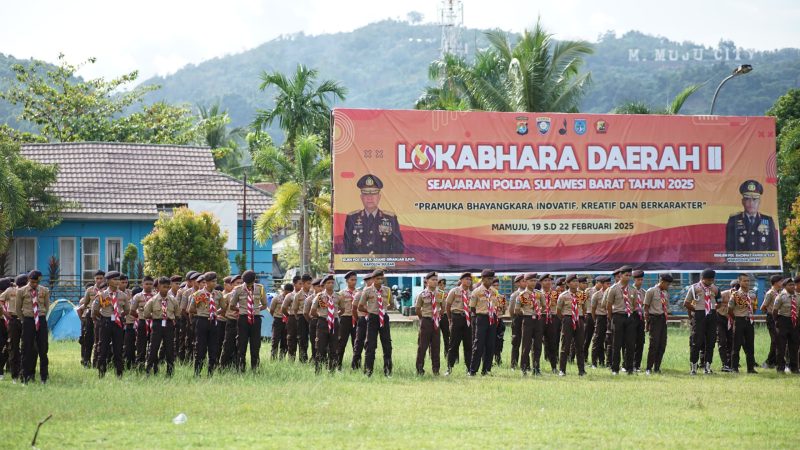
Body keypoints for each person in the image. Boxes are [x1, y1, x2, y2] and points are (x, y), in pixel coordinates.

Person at [343, 174, 404, 254]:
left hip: (384, 265)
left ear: (379, 197)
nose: (370, 197)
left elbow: (398, 248)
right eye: (366, 193)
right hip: (358, 265)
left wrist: (388, 265)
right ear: (361, 197)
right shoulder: (352, 218)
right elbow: (346, 248)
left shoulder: (390, 219)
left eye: (373, 193)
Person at [92, 271, 130, 378]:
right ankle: (101, 374)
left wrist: (120, 315)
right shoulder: (102, 294)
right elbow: (95, 310)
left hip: (118, 323)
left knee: (118, 350)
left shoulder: (123, 295)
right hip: (105, 322)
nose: (117, 281)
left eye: (118, 279)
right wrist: (103, 318)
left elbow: (127, 309)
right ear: (108, 281)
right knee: (103, 349)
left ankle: (119, 374)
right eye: (115, 279)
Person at [15, 271, 50, 384]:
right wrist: (24, 319)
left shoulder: (44, 290)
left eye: (36, 282)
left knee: (43, 349)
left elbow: (46, 306)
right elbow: (18, 308)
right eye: (32, 282)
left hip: (41, 319)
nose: (34, 284)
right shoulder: (21, 291)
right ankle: (25, 376)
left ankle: (44, 377)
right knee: (26, 349)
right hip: (28, 320)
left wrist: (40, 316)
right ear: (29, 279)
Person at [683, 269, 720, 375]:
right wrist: (697, 310)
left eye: (712, 279)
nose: (710, 282)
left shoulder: (715, 288)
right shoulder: (694, 288)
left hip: (711, 315)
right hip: (699, 315)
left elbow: (720, 301)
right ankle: (693, 368)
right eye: (708, 280)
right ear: (702, 279)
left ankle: (707, 367)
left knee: (711, 341)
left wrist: (712, 308)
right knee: (696, 342)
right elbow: (686, 303)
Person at [725, 179, 778, 251]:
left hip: (764, 262)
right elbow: (729, 248)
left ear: (759, 202)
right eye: (747, 199)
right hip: (740, 261)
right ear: (742, 201)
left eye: (755, 199)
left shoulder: (768, 220)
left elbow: (774, 247)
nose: (751, 203)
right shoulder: (734, 220)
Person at [230, 270, 267, 372]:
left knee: (255, 345)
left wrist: (255, 309)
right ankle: (241, 369)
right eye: (247, 283)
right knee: (241, 344)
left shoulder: (260, 288)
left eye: (250, 283)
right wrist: (242, 310)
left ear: (254, 280)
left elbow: (264, 304)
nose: (249, 285)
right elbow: (232, 305)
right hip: (243, 319)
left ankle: (255, 369)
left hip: (256, 319)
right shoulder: (238, 289)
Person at [358, 269, 393, 377]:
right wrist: (369, 311)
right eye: (377, 278)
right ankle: (368, 371)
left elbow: (391, 304)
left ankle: (388, 371)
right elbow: (360, 306)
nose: (380, 280)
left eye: (381, 278)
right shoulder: (368, 290)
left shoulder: (387, 290)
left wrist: (384, 309)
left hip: (384, 318)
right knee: (370, 345)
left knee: (387, 345)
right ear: (373, 279)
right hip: (372, 318)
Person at [143, 277, 179, 377]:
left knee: (170, 350)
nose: (166, 289)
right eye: (164, 287)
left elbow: (177, 314)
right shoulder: (153, 300)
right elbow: (146, 314)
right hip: (157, 324)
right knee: (153, 349)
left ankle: (170, 373)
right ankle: (148, 372)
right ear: (158, 287)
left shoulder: (173, 300)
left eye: (168, 287)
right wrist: (155, 318)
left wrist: (170, 320)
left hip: (169, 325)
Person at [605, 266, 636, 375]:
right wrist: (611, 317)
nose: (628, 277)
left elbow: (634, 304)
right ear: (620, 275)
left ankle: (629, 368)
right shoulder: (613, 289)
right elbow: (608, 305)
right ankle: (615, 369)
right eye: (626, 275)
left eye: (629, 275)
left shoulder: (632, 289)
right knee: (616, 344)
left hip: (629, 317)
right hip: (617, 316)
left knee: (630, 344)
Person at [468, 269, 499, 376]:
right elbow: (472, 307)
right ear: (484, 279)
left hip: (492, 318)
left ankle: (486, 370)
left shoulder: (494, 291)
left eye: (492, 279)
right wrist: (477, 318)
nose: (491, 281)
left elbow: (496, 305)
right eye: (489, 279)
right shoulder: (476, 291)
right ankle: (473, 370)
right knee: (478, 344)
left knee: (490, 344)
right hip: (481, 318)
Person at [556, 274, 587, 376]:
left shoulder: (582, 294)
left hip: (579, 319)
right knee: (565, 345)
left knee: (580, 345)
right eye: (573, 281)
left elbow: (584, 308)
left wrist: (580, 318)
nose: (576, 283)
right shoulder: (563, 295)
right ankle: (562, 370)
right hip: (568, 319)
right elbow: (558, 311)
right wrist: (566, 319)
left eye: (577, 281)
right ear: (568, 283)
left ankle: (581, 370)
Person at [311, 274, 342, 374]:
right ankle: (318, 371)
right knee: (320, 347)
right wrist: (321, 317)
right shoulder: (319, 296)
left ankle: (331, 371)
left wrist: (334, 315)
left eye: (332, 283)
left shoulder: (338, 296)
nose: (331, 284)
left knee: (334, 348)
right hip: (323, 323)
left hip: (334, 323)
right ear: (324, 285)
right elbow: (312, 311)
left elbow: (343, 308)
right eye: (328, 283)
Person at [728, 273, 758, 374]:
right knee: (736, 345)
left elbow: (754, 307)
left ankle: (751, 368)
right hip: (739, 320)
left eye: (748, 280)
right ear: (739, 282)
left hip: (749, 321)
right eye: (744, 281)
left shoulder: (752, 293)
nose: (747, 282)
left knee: (750, 345)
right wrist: (736, 318)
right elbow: (730, 309)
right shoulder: (735, 295)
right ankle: (734, 368)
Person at [444, 272, 473, 375]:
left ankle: (469, 368)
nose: (468, 281)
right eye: (466, 279)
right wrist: (450, 319)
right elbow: (448, 305)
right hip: (456, 317)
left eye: (470, 279)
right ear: (461, 280)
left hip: (468, 319)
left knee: (468, 344)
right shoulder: (454, 291)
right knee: (453, 344)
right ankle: (449, 368)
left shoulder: (471, 293)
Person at [517, 273, 545, 376]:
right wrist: (526, 313)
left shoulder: (539, 293)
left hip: (537, 319)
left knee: (537, 345)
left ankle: (536, 368)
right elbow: (517, 309)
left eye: (534, 280)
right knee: (526, 345)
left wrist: (538, 312)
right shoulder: (522, 295)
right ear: (526, 281)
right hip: (527, 320)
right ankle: (524, 368)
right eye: (531, 281)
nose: (533, 282)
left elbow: (544, 306)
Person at [644, 273, 672, 374]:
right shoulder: (651, 291)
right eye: (667, 284)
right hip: (654, 319)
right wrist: (647, 322)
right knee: (654, 344)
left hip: (663, 319)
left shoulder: (665, 293)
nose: (668, 286)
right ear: (662, 281)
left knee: (662, 344)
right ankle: (648, 368)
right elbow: (646, 307)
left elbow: (666, 306)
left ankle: (657, 367)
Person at [415, 272, 441, 376]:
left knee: (436, 346)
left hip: (436, 321)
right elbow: (417, 309)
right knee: (422, 346)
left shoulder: (441, 293)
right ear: (427, 281)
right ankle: (420, 369)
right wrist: (423, 319)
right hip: (426, 321)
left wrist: (437, 316)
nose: (435, 282)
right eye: (433, 280)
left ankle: (436, 370)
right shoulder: (422, 294)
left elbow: (443, 307)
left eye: (436, 280)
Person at [76, 270, 104, 368]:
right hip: (90, 315)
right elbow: (85, 303)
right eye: (97, 278)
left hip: (102, 315)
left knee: (100, 339)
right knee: (88, 339)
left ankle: (98, 362)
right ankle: (86, 361)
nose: (99, 280)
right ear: (94, 279)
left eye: (101, 278)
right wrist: (83, 318)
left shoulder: (106, 290)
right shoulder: (90, 290)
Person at [772, 277, 799, 374]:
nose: (792, 286)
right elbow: (774, 311)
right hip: (783, 321)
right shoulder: (780, 296)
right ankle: (780, 368)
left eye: (793, 285)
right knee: (781, 346)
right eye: (790, 285)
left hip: (795, 322)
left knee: (794, 346)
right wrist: (777, 322)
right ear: (785, 286)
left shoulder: (798, 296)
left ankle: (794, 367)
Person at [2, 275, 26, 382]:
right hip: (14, 320)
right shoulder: (10, 291)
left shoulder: (30, 291)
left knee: (27, 347)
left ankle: (25, 372)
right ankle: (14, 375)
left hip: (26, 320)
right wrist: (5, 313)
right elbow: (1, 300)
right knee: (13, 347)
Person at [130, 277, 156, 371]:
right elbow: (132, 310)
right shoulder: (137, 296)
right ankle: (140, 368)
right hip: (142, 322)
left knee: (153, 346)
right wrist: (140, 317)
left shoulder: (156, 296)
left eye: (150, 284)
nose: (148, 286)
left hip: (154, 323)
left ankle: (152, 368)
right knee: (141, 346)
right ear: (142, 285)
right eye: (146, 284)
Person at [336, 271, 358, 370]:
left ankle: (356, 365)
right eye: (352, 280)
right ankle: (338, 364)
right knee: (341, 342)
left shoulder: (359, 293)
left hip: (356, 319)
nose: (354, 282)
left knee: (357, 343)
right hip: (345, 319)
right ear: (347, 281)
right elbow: (337, 307)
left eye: (355, 280)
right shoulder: (341, 293)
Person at [760, 275, 783, 369]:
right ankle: (769, 362)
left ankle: (773, 362)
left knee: (778, 340)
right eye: (781, 281)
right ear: (776, 282)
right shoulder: (770, 293)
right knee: (775, 340)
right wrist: (769, 312)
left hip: (778, 318)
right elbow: (763, 307)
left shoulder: (779, 292)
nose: (782, 283)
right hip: (771, 318)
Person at [351, 273, 372, 370]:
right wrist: (358, 320)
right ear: (366, 281)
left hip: (372, 320)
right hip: (362, 319)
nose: (372, 282)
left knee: (370, 343)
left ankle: (367, 366)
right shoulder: (360, 293)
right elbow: (354, 309)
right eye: (370, 280)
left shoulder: (377, 293)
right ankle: (355, 366)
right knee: (359, 343)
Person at [717, 280, 738, 372]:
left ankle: (730, 363)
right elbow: (716, 305)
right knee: (722, 341)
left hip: (731, 319)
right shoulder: (723, 294)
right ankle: (724, 364)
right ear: (732, 288)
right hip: (720, 318)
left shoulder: (741, 296)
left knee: (731, 341)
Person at [541, 274, 560, 374]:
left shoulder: (556, 293)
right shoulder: (537, 294)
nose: (548, 282)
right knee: (536, 344)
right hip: (541, 318)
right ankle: (536, 367)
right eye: (545, 280)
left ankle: (554, 366)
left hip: (552, 318)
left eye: (549, 280)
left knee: (553, 343)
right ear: (541, 282)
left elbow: (559, 306)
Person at [590, 276, 611, 368]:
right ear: (602, 284)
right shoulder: (596, 295)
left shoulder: (611, 293)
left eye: (610, 283)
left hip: (609, 318)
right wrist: (596, 320)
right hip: (600, 318)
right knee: (597, 340)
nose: (609, 285)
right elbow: (593, 310)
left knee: (609, 340)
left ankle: (607, 362)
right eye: (607, 284)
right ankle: (594, 362)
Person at [293, 274, 313, 363]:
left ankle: (314, 358)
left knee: (314, 338)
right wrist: (298, 318)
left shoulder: (313, 293)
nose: (310, 285)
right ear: (303, 284)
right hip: (301, 318)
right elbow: (295, 308)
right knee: (302, 339)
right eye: (308, 283)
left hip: (311, 317)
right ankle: (303, 359)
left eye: (310, 283)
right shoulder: (298, 295)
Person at [508, 274, 526, 370]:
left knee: (527, 343)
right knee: (516, 342)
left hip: (527, 319)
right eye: (523, 281)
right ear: (518, 283)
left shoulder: (531, 294)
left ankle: (526, 365)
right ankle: (513, 364)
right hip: (517, 319)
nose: (525, 282)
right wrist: (515, 319)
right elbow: (511, 310)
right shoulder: (514, 295)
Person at [281, 275, 301, 362]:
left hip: (303, 318)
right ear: (294, 284)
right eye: (299, 284)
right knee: (291, 339)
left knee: (302, 339)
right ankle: (291, 359)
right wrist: (289, 316)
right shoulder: (289, 295)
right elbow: (283, 308)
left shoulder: (307, 294)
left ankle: (303, 360)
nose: (301, 286)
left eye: (302, 284)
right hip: (292, 318)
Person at [270, 282, 291, 360]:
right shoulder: (276, 298)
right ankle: (273, 358)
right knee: (275, 340)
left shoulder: (292, 298)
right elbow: (271, 310)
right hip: (278, 320)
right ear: (284, 290)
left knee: (285, 341)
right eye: (286, 292)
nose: (287, 294)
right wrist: (276, 317)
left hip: (287, 321)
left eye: (289, 292)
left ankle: (281, 358)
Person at [631, 270, 647, 373]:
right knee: (631, 342)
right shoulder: (629, 290)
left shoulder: (644, 292)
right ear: (634, 280)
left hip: (641, 319)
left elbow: (646, 306)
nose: (640, 282)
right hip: (632, 317)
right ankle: (629, 364)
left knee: (640, 341)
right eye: (638, 280)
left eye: (641, 280)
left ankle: (637, 365)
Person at [492, 278, 507, 366]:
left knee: (499, 341)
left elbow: (504, 310)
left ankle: (498, 359)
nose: (496, 287)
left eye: (497, 285)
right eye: (494, 285)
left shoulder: (502, 297)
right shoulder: (488, 297)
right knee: (490, 341)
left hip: (499, 320)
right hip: (491, 320)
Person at [436, 278, 450, 363]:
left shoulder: (447, 294)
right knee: (435, 338)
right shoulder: (434, 294)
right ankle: (433, 356)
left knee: (447, 337)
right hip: (436, 316)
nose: (442, 286)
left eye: (443, 284)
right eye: (440, 284)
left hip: (444, 316)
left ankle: (447, 354)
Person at [0, 277, 11, 380]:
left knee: (9, 346)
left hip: (8, 324)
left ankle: (9, 367)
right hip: (2, 323)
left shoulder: (11, 297)